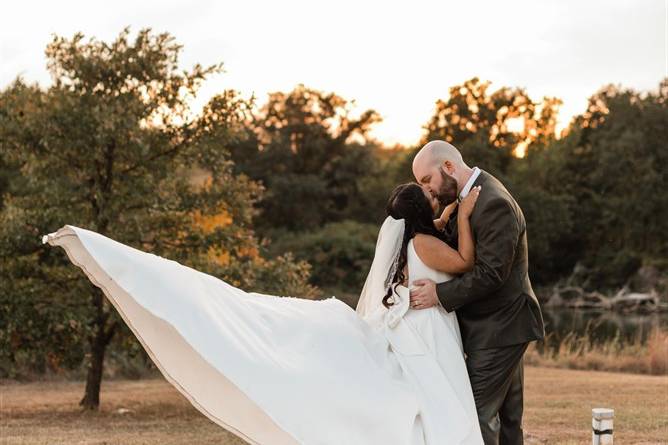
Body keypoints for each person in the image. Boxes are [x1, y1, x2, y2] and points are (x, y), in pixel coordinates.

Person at [42, 181, 484, 444]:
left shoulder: (418, 239)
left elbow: (435, 242)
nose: (434, 196)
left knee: (429, 397)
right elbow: (462, 262)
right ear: (418, 211)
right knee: (433, 399)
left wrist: (446, 214)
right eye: (428, 193)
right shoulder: (424, 243)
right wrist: (463, 214)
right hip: (426, 327)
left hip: (425, 323)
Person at [409, 140, 545, 445]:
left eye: (427, 180)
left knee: (476, 415)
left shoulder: (492, 201)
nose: (427, 190)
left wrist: (439, 295)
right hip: (502, 326)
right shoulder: (466, 200)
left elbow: (492, 273)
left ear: (448, 167)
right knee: (509, 420)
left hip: (500, 327)